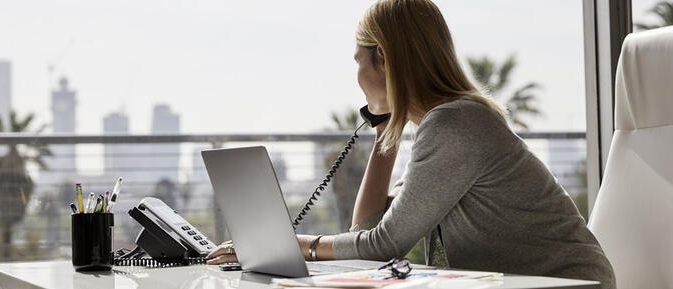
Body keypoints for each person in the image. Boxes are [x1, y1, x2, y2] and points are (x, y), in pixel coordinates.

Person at [208, 0, 615, 288]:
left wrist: (302, 246)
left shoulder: (457, 123)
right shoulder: (442, 125)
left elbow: (383, 244)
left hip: (566, 285)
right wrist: (386, 125)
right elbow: (368, 230)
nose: (356, 74)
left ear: (383, 59)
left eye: (358, 61)